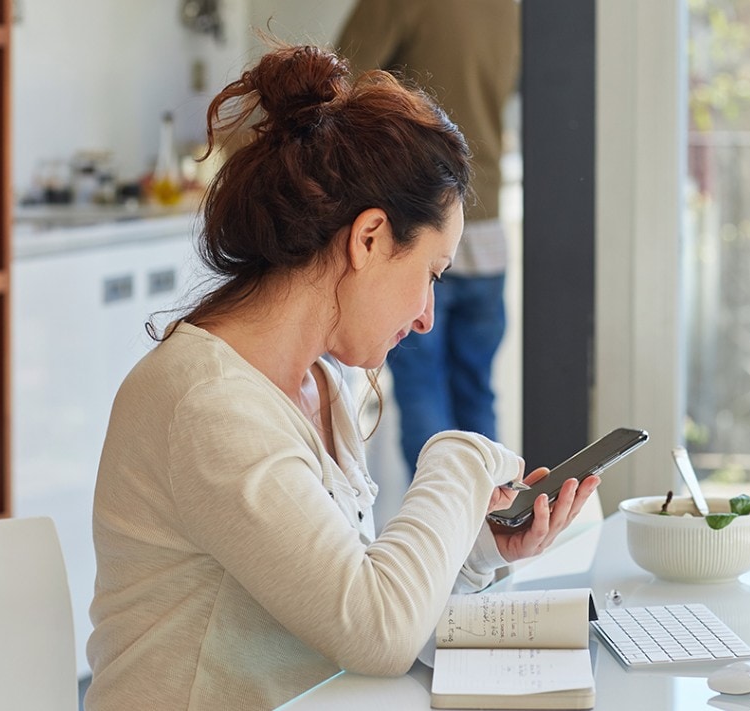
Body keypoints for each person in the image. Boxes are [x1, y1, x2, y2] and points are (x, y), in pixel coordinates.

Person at [83, 43, 600, 711]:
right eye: (430, 275)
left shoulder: (319, 385)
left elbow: (344, 603)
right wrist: (457, 460)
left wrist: (473, 550)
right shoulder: (209, 405)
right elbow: (376, 632)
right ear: (370, 239)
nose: (425, 317)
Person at [336, 0, 520, 475]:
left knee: (422, 395)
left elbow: (335, 86)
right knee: (476, 391)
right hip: (489, 223)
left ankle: (439, 540)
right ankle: (490, 531)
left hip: (419, 223)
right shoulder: (507, 8)